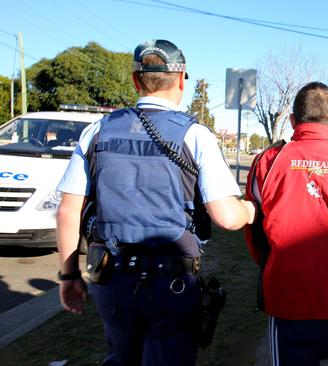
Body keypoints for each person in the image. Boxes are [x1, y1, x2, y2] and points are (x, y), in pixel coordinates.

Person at [55, 39, 256, 366]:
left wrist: (68, 276)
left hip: (111, 279)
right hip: (171, 285)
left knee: (121, 356)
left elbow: (67, 211)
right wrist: (249, 209)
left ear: (136, 80)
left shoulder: (96, 130)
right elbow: (227, 217)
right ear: (181, 79)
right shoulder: (196, 136)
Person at [244, 82, 328, 366]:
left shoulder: (268, 161)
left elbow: (254, 226)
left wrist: (269, 263)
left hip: (289, 294)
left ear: (293, 120)